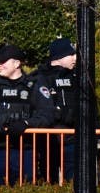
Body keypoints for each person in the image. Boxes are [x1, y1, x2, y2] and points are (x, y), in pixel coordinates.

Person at [0, 44, 53, 186]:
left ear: (17, 63)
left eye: (3, 61)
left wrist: (27, 124)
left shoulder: (34, 87)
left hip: (25, 151)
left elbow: (48, 114)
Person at [31, 37, 78, 183]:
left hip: (72, 140)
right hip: (47, 140)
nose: (75, 58)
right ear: (59, 57)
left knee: (73, 183)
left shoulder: (78, 77)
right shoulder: (37, 78)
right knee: (47, 181)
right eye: (71, 54)